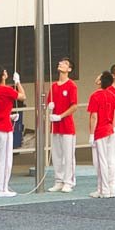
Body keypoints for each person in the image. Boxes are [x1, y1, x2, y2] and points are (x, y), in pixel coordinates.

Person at [0, 66, 25, 199]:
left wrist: (9, 116)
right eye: (4, 72)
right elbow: (22, 96)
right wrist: (18, 82)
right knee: (6, 159)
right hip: (4, 129)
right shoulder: (6, 90)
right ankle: (2, 188)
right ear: (2, 76)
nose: (6, 72)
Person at [47, 57, 78, 193]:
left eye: (65, 63)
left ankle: (69, 181)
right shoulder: (53, 86)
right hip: (55, 126)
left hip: (67, 126)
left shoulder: (71, 86)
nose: (61, 64)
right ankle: (58, 180)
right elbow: (49, 104)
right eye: (60, 62)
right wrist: (49, 107)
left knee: (68, 155)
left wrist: (60, 116)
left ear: (69, 69)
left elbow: (74, 106)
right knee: (57, 155)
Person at [87, 71, 115, 198]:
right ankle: (110, 188)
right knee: (110, 160)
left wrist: (91, 134)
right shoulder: (112, 95)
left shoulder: (95, 96)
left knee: (101, 161)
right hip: (110, 129)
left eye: (99, 76)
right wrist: (112, 128)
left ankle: (104, 189)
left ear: (101, 81)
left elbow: (94, 116)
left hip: (100, 131)